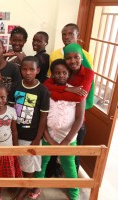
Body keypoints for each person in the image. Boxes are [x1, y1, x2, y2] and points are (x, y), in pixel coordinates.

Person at [35, 59, 85, 200]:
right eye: (57, 73)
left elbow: (79, 119)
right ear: (52, 74)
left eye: (64, 72)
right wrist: (48, 138)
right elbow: (42, 115)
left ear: (69, 74)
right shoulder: (47, 90)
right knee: (42, 162)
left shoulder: (77, 92)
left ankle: (74, 194)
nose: (61, 75)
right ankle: (37, 186)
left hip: (68, 137)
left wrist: (67, 140)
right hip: (48, 134)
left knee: (69, 166)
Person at [44, 43, 95, 173]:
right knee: (49, 156)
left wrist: (53, 94)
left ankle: (72, 186)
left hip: (76, 122)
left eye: (76, 57)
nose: (73, 61)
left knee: (72, 158)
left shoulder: (88, 73)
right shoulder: (65, 71)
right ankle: (52, 173)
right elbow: (46, 86)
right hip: (55, 123)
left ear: (82, 57)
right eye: (68, 58)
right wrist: (68, 89)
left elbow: (79, 98)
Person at [9, 56, 50, 200]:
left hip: (31, 136)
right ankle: (19, 185)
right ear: (20, 70)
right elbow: (10, 110)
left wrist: (37, 138)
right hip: (15, 134)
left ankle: (25, 189)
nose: (27, 72)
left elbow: (43, 117)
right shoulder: (15, 86)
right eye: (24, 69)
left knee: (29, 166)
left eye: (31, 69)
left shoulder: (43, 91)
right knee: (18, 162)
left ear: (37, 70)